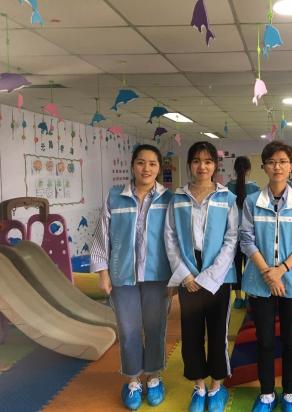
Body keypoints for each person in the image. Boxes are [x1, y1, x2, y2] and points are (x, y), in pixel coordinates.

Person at [90, 144, 173, 410]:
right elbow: (102, 236)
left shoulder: (169, 198)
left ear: (159, 168)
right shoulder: (115, 196)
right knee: (128, 331)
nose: (146, 168)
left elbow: (175, 240)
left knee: (155, 329)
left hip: (158, 276)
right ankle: (133, 380)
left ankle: (154, 377)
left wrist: (176, 278)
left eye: (152, 163)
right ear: (132, 165)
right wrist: (103, 273)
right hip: (122, 276)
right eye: (141, 162)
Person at [240, 141, 292, 412]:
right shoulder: (252, 201)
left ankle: (290, 393)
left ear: (291, 166)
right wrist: (267, 273)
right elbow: (246, 239)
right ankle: (267, 393)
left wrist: (281, 270)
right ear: (264, 167)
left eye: (283, 161)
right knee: (264, 340)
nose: (277, 167)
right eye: (271, 162)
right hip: (260, 281)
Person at [164, 141, 238, 412]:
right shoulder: (178, 198)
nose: (202, 166)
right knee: (192, 333)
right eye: (196, 161)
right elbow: (170, 237)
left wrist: (210, 276)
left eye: (207, 161)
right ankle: (199, 386)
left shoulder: (227, 198)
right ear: (189, 165)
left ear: (215, 166)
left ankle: (217, 386)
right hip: (188, 273)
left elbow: (231, 239)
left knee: (217, 334)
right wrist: (185, 275)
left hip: (218, 274)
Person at [227, 156, 260, 309]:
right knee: (250, 267)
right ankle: (248, 297)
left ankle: (238, 299)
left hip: (231, 236)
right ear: (249, 170)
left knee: (234, 267)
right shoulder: (256, 188)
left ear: (235, 169)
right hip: (250, 236)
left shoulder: (227, 188)